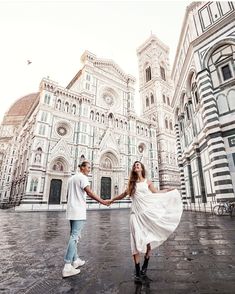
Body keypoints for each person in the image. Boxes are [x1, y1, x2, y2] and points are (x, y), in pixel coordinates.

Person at [108, 161, 183, 282]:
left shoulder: (147, 182)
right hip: (135, 216)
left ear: (142, 168)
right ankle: (137, 272)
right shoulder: (131, 184)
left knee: (148, 243)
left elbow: (157, 193)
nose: (136, 166)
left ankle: (145, 265)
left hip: (147, 216)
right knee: (135, 243)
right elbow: (122, 195)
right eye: (135, 165)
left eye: (138, 165)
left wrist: (169, 190)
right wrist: (111, 200)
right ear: (133, 169)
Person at [62, 161, 109, 278]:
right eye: (88, 167)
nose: (89, 170)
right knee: (75, 236)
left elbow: (67, 196)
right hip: (78, 211)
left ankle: (75, 260)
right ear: (82, 168)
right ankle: (67, 266)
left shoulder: (71, 178)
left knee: (74, 235)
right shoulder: (83, 178)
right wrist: (102, 201)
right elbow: (89, 192)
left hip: (71, 210)